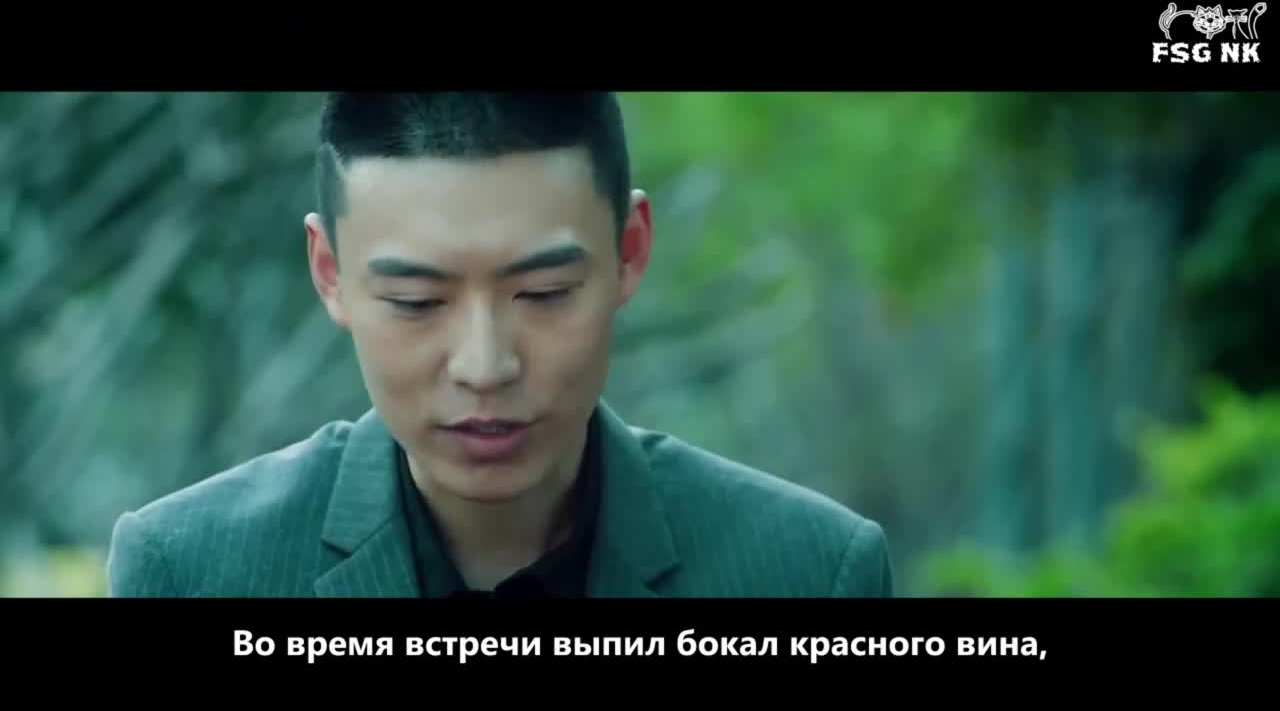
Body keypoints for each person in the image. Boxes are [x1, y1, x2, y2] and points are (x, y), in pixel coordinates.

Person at [106, 92, 893, 598]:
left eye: (544, 293)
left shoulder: (808, 571)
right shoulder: (191, 570)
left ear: (628, 251)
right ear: (330, 274)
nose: (485, 366)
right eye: (417, 302)